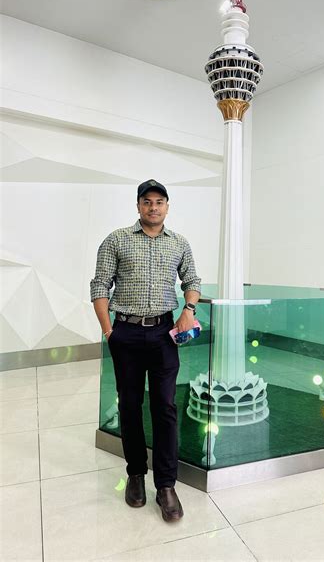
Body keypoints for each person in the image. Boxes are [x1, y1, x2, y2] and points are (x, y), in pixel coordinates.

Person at [90, 179, 201, 521]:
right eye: (147, 201)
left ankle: (166, 485)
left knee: (165, 406)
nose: (153, 207)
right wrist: (109, 331)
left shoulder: (179, 243)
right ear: (138, 206)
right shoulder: (117, 239)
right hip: (125, 333)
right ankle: (136, 473)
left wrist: (189, 309)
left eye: (159, 202)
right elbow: (99, 285)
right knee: (130, 405)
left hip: (164, 334)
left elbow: (192, 281)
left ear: (167, 206)